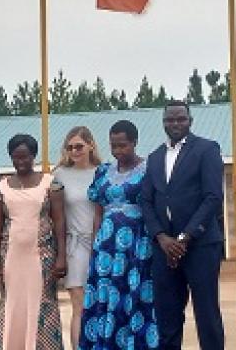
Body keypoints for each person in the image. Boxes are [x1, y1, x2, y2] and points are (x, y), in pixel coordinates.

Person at [141, 100, 225, 350]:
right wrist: (161, 237)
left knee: (206, 314)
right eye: (170, 119)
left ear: (190, 121)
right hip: (164, 249)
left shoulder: (207, 149)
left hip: (200, 246)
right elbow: (146, 201)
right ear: (163, 123)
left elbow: (213, 197)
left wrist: (185, 237)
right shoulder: (155, 157)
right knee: (167, 316)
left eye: (181, 119)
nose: (175, 123)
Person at [79, 120, 159, 350]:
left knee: (133, 295)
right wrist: (95, 245)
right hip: (106, 247)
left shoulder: (149, 170)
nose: (118, 151)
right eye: (113, 146)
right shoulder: (103, 171)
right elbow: (98, 211)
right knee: (105, 295)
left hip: (137, 245)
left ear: (135, 142)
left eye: (123, 145)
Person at [0, 134, 67, 350]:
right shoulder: (1, 188)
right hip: (11, 258)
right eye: (16, 157)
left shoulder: (52, 184)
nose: (20, 162)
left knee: (42, 303)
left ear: (34, 156)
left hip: (43, 257)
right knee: (12, 304)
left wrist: (61, 256)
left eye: (25, 157)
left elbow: (60, 221)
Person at [53, 126, 101, 349]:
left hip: (101, 244)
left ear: (90, 145)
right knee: (79, 305)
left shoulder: (103, 172)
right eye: (70, 147)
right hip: (75, 245)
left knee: (101, 304)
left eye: (79, 146)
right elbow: (55, 214)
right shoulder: (59, 175)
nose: (74, 151)